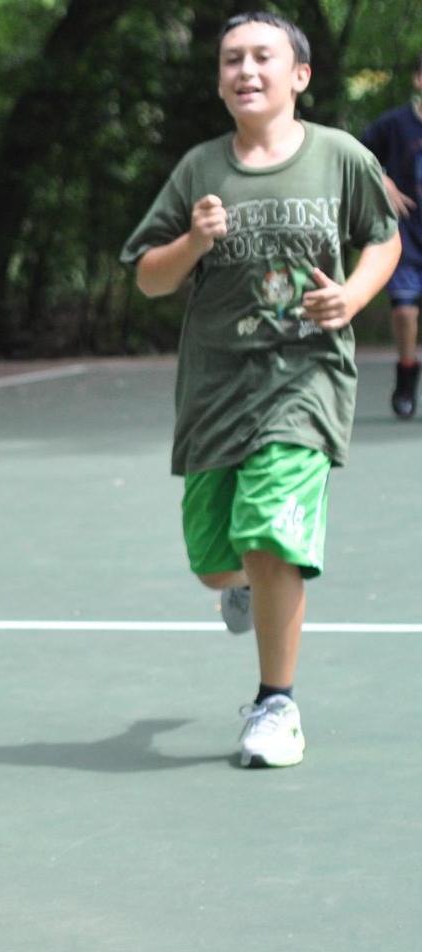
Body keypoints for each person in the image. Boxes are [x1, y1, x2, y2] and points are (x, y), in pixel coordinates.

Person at [120, 11, 400, 769]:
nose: (245, 70)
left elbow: (385, 236)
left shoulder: (340, 156)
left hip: (304, 378)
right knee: (219, 560)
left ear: (298, 76)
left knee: (269, 533)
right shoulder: (200, 169)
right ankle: (245, 590)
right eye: (232, 60)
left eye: (262, 57)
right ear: (219, 81)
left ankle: (277, 703)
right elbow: (150, 277)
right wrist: (194, 241)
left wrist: (351, 296)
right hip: (215, 386)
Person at [359, 51, 422, 418]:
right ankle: (406, 374)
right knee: (404, 310)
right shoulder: (395, 125)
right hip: (406, 235)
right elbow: (359, 154)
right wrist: (383, 182)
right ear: (417, 79)